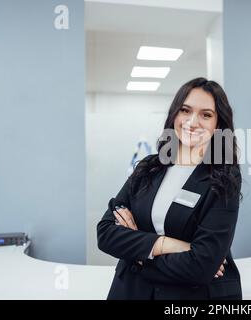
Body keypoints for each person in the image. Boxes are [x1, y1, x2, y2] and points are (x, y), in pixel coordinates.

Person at [97, 77, 243, 300]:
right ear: (175, 114)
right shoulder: (149, 167)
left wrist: (136, 254)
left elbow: (201, 266)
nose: (193, 122)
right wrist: (170, 245)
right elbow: (106, 232)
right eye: (185, 110)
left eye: (206, 115)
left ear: (218, 126)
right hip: (131, 293)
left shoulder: (223, 178)